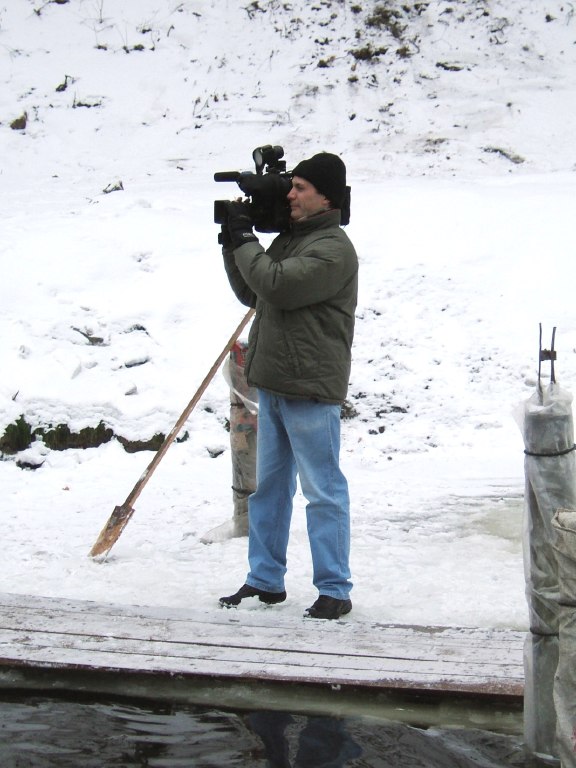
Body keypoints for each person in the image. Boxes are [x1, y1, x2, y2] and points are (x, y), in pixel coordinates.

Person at [218, 152, 358, 620]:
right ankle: (264, 581)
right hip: (275, 383)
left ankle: (334, 589)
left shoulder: (333, 249)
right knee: (269, 491)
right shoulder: (291, 241)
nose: (291, 196)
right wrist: (232, 242)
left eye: (300, 188)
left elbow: (275, 285)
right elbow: (253, 290)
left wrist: (246, 239)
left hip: (311, 389)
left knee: (323, 492)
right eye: (291, 186)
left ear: (326, 198)